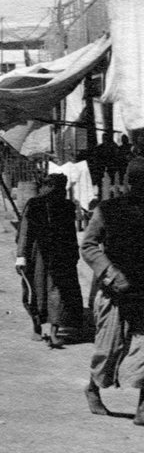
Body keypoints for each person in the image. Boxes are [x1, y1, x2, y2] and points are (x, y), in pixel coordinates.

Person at [80, 158, 144, 425]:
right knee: (109, 348)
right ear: (131, 182)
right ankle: (93, 387)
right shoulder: (108, 210)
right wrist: (111, 273)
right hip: (115, 292)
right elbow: (89, 246)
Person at [15, 173, 83, 348]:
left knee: (57, 291)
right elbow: (25, 232)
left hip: (61, 255)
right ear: (48, 187)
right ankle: (37, 327)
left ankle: (54, 331)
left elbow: (70, 232)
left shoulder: (67, 206)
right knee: (35, 291)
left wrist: (74, 253)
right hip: (38, 255)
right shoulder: (35, 205)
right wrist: (21, 256)